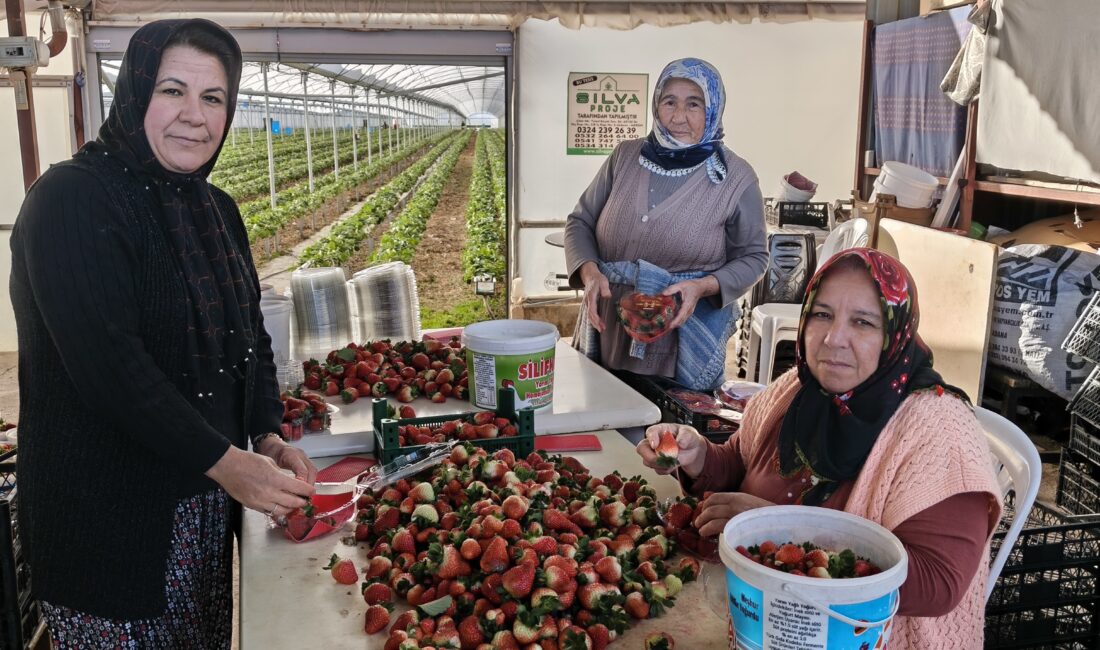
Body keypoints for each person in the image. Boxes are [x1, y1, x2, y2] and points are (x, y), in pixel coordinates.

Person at [10, 19, 317, 646]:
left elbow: (250, 339)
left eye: (214, 98)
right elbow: (109, 369)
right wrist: (228, 462)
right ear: (134, 92)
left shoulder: (215, 208)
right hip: (108, 523)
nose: (194, 117)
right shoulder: (72, 200)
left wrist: (265, 432)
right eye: (172, 90)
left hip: (200, 508)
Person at [637, 248, 1002, 649]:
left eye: (863, 322)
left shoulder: (939, 430)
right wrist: (699, 455)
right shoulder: (799, 387)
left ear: (895, 333)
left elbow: (938, 583)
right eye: (822, 314)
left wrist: (777, 531)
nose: (833, 339)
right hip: (762, 620)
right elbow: (740, 461)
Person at [564, 58, 768, 391]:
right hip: (609, 326)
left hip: (681, 333)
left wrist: (703, 287)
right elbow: (580, 221)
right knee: (605, 420)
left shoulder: (736, 177)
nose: (678, 117)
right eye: (669, 101)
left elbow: (754, 257)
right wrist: (589, 273)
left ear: (713, 109)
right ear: (656, 106)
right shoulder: (625, 156)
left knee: (671, 432)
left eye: (694, 104)